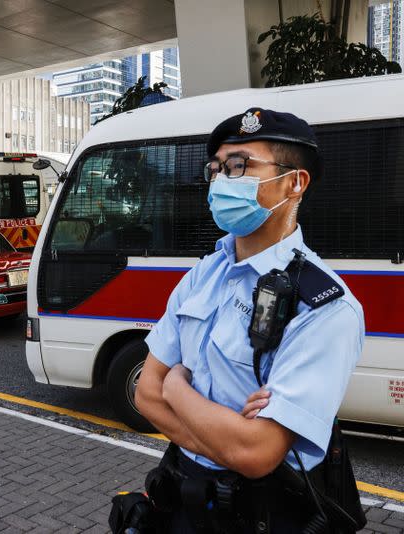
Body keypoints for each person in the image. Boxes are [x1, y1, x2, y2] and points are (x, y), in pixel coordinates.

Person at [134, 109, 364, 532]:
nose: (223, 180)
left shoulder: (324, 306)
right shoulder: (204, 274)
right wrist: (225, 433)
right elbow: (144, 395)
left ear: (295, 182)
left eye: (240, 166)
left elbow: (256, 454)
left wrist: (176, 387)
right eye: (217, 168)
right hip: (182, 500)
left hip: (263, 514)